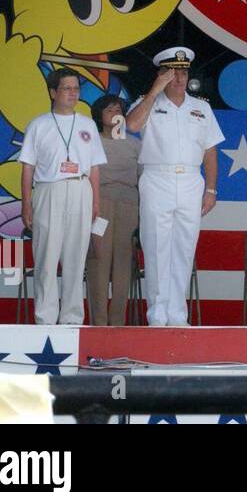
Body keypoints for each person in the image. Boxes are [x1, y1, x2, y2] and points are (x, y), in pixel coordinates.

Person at [123, 47, 224, 327]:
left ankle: (178, 314)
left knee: (184, 247)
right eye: (172, 72)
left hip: (191, 180)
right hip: (157, 178)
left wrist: (212, 189)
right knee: (156, 247)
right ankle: (157, 313)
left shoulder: (201, 107)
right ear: (162, 74)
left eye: (183, 72)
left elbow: (210, 150)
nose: (179, 78)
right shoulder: (148, 102)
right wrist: (155, 91)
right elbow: (131, 124)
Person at [19, 69, 106, 324]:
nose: (73, 93)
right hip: (49, 189)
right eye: (67, 88)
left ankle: (72, 319)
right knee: (46, 256)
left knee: (76, 257)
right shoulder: (38, 124)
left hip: (81, 188)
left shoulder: (88, 124)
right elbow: (27, 167)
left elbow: (95, 167)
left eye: (76, 88)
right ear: (53, 92)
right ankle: (45, 319)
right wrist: (27, 204)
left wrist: (96, 202)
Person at [86, 95, 140, 326]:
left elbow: (143, 178)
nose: (115, 113)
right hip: (100, 204)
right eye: (109, 110)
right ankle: (99, 322)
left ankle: (117, 322)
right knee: (99, 261)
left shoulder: (136, 144)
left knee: (123, 263)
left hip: (129, 204)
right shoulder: (90, 141)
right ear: (99, 116)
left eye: (118, 109)